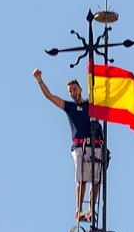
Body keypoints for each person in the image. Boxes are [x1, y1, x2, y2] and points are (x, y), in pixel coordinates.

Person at [32, 69, 103, 222]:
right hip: (79, 147)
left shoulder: (91, 106)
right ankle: (79, 210)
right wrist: (39, 80)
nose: (72, 92)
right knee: (81, 179)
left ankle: (91, 209)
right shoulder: (70, 107)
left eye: (74, 89)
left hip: (95, 145)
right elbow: (50, 97)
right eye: (70, 91)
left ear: (80, 89)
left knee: (95, 180)